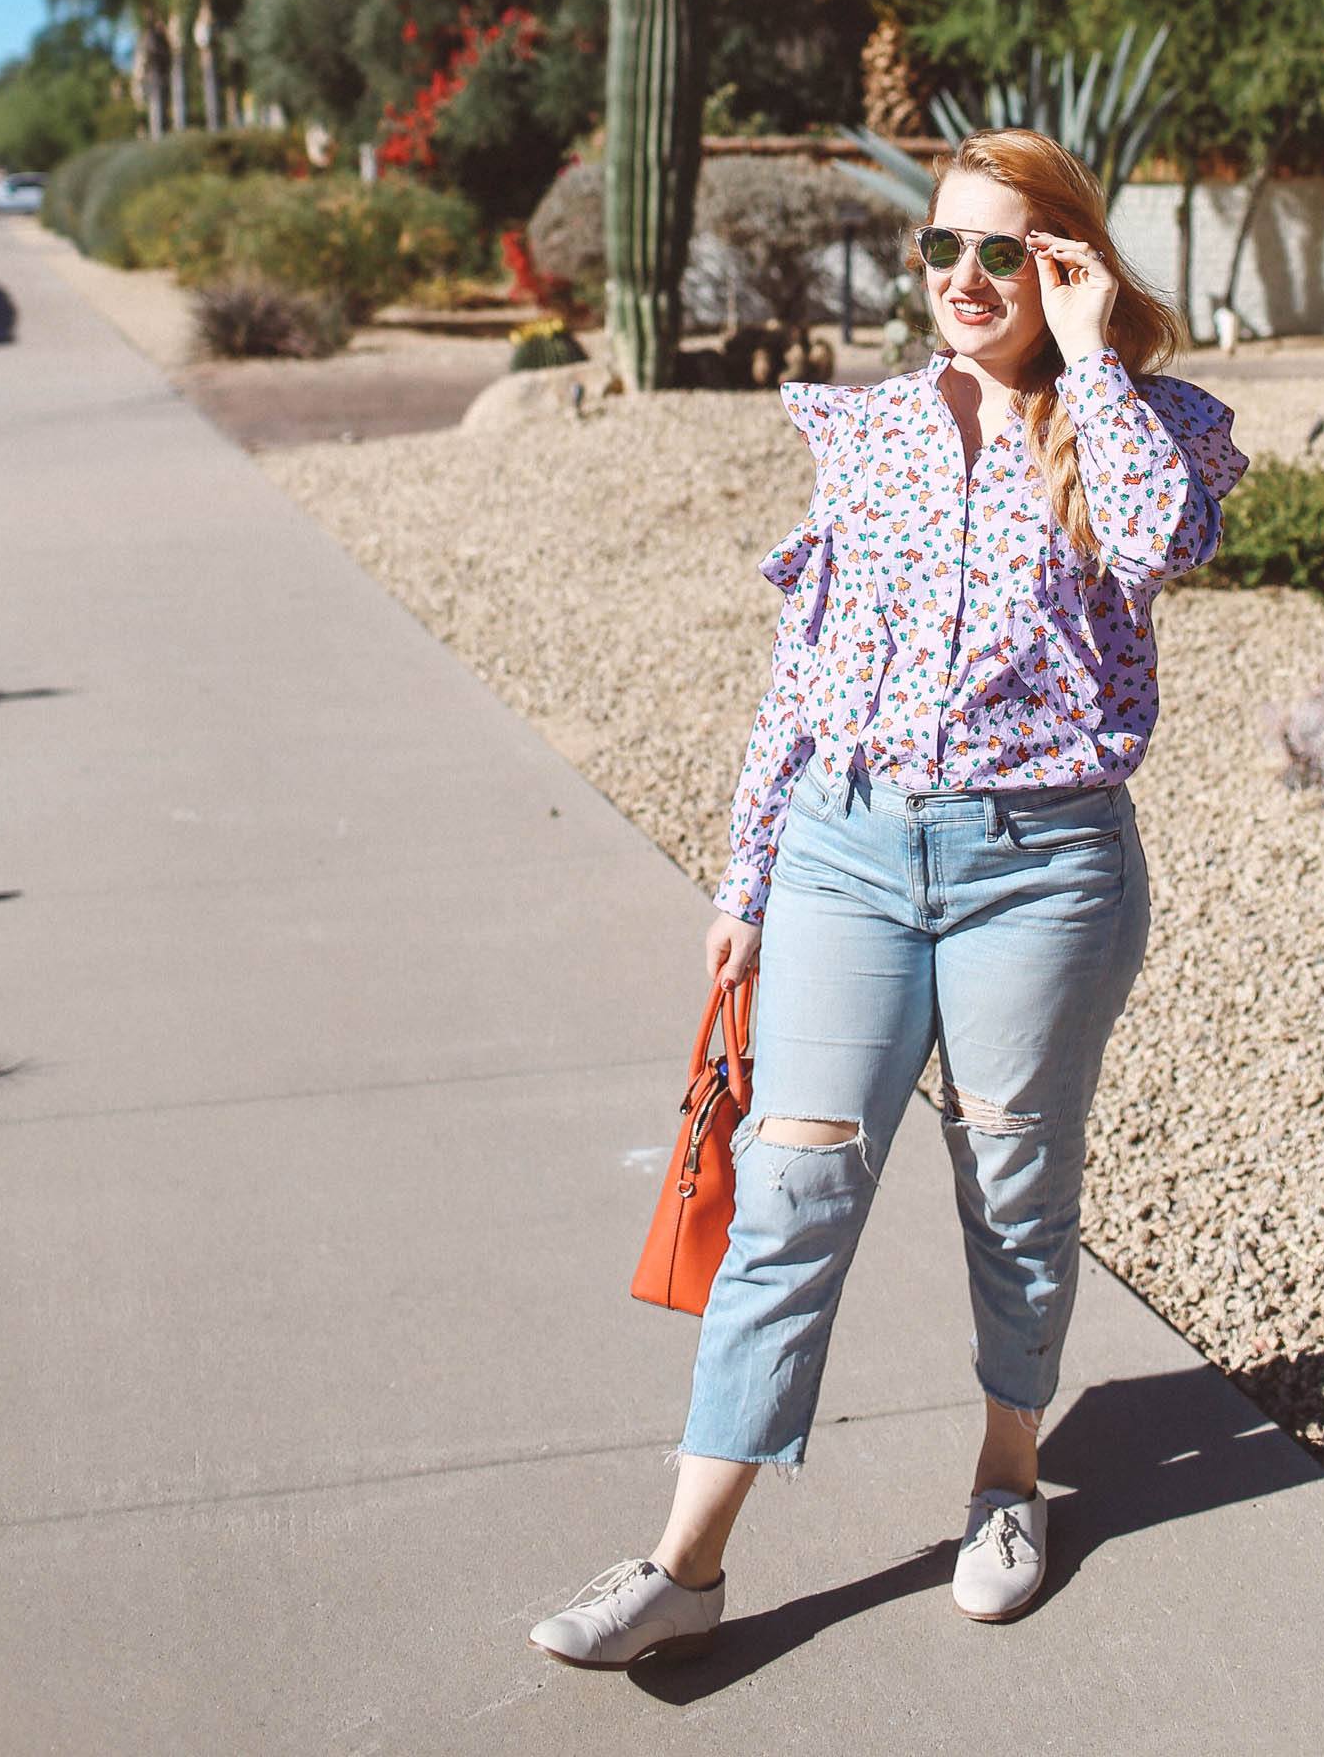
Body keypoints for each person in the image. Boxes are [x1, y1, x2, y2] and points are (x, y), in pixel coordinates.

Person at [531, 129, 1246, 1667]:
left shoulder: (1150, 422)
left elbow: (1159, 544)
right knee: (791, 1195)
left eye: (1004, 252)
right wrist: (748, 877)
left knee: (1014, 1187)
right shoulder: (865, 430)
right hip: (847, 853)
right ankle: (686, 1562)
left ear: (1066, 262)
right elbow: (806, 672)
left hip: (1040, 866)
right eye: (942, 247)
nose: (964, 280)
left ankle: (1008, 1480)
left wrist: (1089, 356)